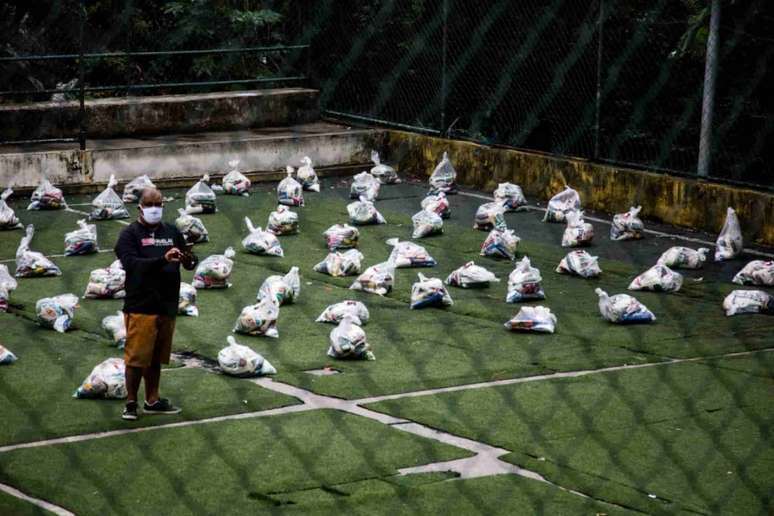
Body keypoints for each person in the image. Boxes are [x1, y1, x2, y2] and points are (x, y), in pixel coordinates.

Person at [114, 186, 198, 421]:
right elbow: (132, 264)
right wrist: (162, 259)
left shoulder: (171, 231)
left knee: (156, 357)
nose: (154, 209)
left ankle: (152, 399)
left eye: (158, 204)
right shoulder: (129, 235)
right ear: (140, 207)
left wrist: (190, 259)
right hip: (141, 303)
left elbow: (188, 261)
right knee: (136, 357)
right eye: (150, 204)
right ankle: (131, 403)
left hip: (167, 303)